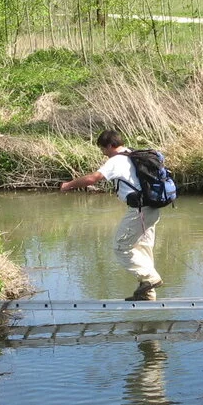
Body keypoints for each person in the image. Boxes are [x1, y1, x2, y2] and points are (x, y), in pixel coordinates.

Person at [61, 129, 164, 301]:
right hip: (153, 208)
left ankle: (151, 279)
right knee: (142, 248)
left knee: (121, 247)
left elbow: (93, 179)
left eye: (103, 150)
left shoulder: (116, 161)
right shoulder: (133, 154)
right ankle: (147, 293)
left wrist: (68, 185)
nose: (104, 154)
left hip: (139, 211)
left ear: (110, 146)